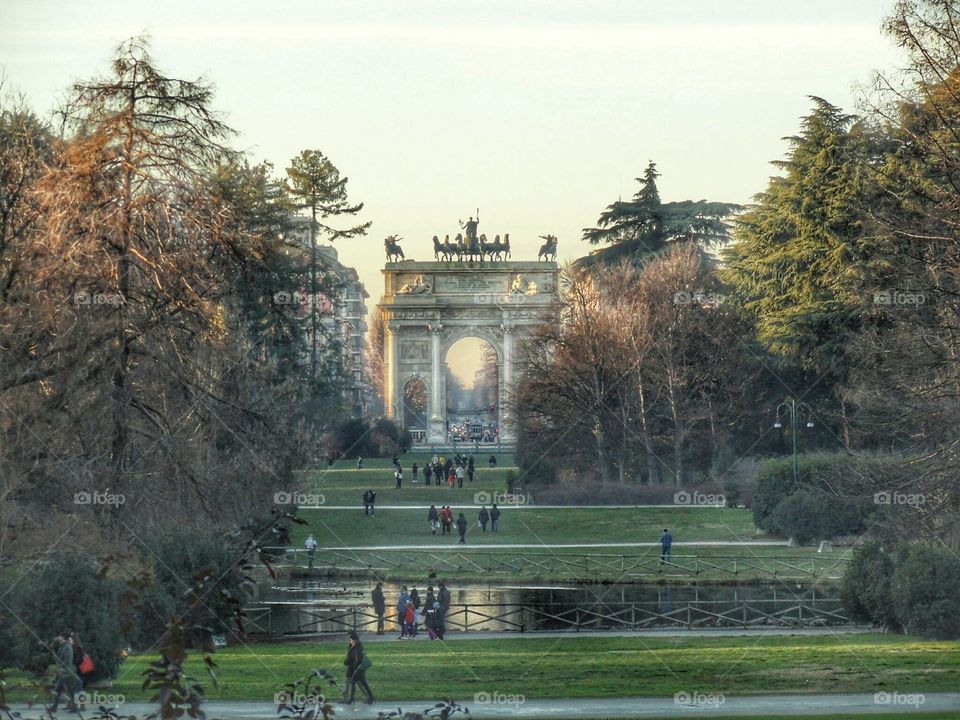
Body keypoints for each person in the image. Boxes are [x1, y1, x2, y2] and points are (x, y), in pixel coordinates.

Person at [342, 631, 374, 705]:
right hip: (352, 668)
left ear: (354, 639)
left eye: (349, 638)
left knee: (360, 684)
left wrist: (346, 662)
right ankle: (347, 698)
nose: (348, 640)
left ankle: (367, 697)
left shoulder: (358, 647)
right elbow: (350, 656)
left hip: (357, 668)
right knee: (349, 683)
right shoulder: (351, 645)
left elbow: (355, 658)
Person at [50, 634, 78, 713]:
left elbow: (67, 661)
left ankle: (74, 708)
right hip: (63, 673)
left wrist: (60, 667)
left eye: (59, 637)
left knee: (69, 691)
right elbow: (59, 659)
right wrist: (53, 652)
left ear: (63, 638)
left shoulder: (67, 647)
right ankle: (54, 707)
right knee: (58, 690)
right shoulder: (62, 647)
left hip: (66, 672)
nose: (57, 638)